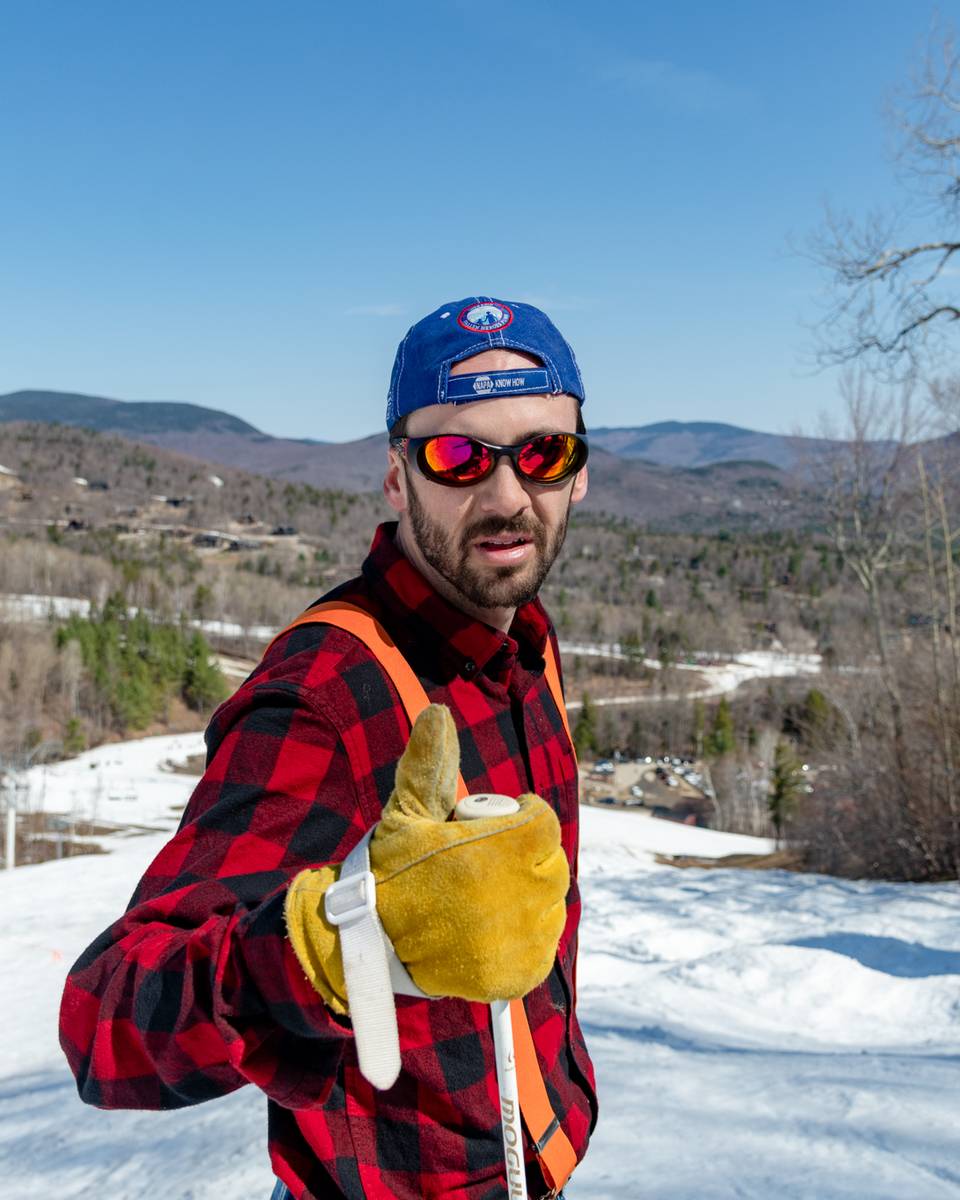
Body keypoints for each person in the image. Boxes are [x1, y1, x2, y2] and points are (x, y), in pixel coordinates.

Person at [59, 296, 598, 1200]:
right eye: (457, 456)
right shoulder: (326, 694)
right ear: (398, 478)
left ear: (580, 474)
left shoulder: (522, 645)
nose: (508, 496)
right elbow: (107, 1023)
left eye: (543, 453)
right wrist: (340, 948)